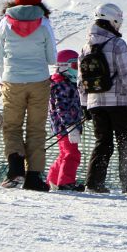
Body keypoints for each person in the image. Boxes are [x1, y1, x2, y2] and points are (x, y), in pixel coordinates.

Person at [0, 0, 57, 190]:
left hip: (12, 79)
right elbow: (52, 57)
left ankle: (15, 170)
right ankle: (34, 177)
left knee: (12, 126)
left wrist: (3, 79)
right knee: (36, 128)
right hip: (39, 80)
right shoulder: (44, 23)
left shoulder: (5, 22)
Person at [77, 3, 127, 193]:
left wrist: (84, 105)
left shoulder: (85, 47)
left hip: (94, 104)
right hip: (119, 103)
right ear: (113, 20)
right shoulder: (117, 44)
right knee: (125, 143)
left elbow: (80, 81)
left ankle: (94, 183)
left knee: (102, 143)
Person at [47, 49, 84, 191]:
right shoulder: (61, 84)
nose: (77, 70)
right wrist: (70, 126)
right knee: (72, 153)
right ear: (63, 66)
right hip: (65, 126)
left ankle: (53, 180)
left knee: (64, 154)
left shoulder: (67, 83)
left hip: (65, 126)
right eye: (75, 66)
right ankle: (66, 182)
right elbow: (61, 107)